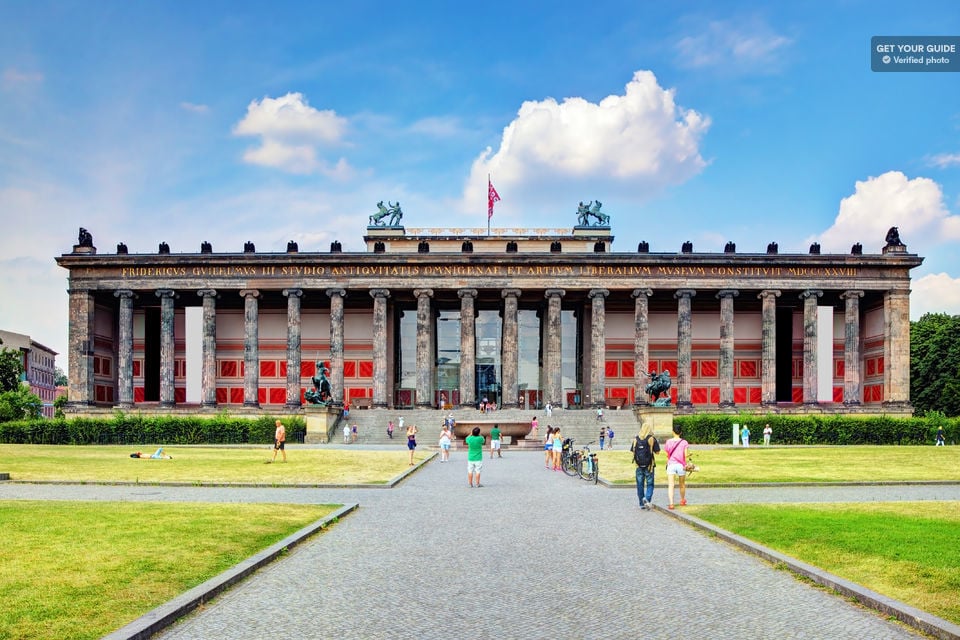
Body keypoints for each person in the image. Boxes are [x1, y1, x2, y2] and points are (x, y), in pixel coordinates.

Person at [630, 423, 660, 510]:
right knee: (650, 484)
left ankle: (641, 503)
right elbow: (657, 452)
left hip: (638, 465)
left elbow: (633, 451)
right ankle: (647, 499)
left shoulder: (636, 439)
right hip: (649, 465)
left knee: (640, 484)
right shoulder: (651, 439)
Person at [664, 425, 690, 509]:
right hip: (681, 465)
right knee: (682, 484)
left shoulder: (668, 442)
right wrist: (690, 454)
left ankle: (671, 503)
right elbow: (685, 455)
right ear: (681, 432)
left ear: (673, 432)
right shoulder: (684, 442)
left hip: (671, 464)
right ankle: (682, 500)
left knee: (671, 485)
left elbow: (667, 454)